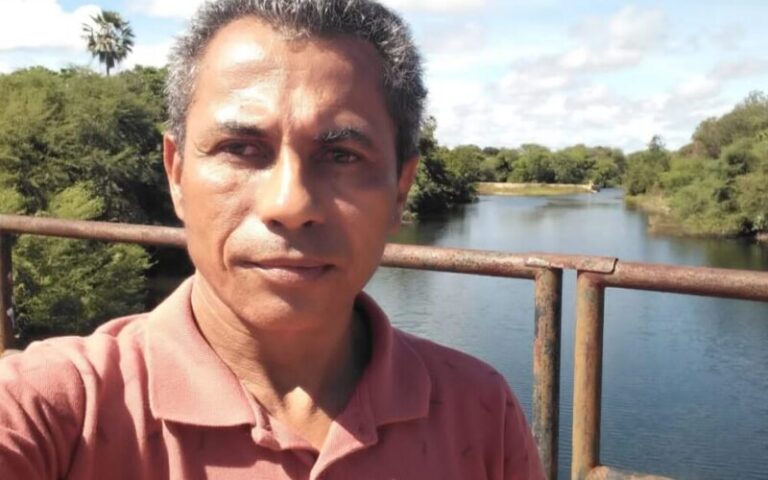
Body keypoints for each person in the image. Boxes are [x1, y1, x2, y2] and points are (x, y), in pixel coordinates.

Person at [0, 0, 544, 478]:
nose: (290, 204)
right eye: (240, 148)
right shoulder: (56, 407)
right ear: (176, 174)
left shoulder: (479, 411)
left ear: (400, 189)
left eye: (341, 155)